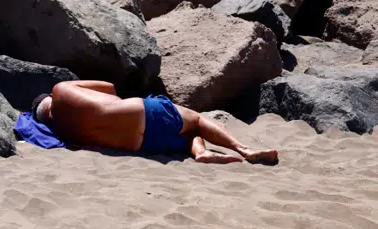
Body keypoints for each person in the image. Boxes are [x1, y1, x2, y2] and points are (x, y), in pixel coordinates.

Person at [33, 80, 279, 165]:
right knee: (196, 118)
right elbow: (110, 88)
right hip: (142, 113)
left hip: (144, 144)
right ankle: (243, 149)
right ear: (49, 99)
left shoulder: (64, 134)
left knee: (187, 135)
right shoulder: (61, 89)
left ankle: (200, 151)